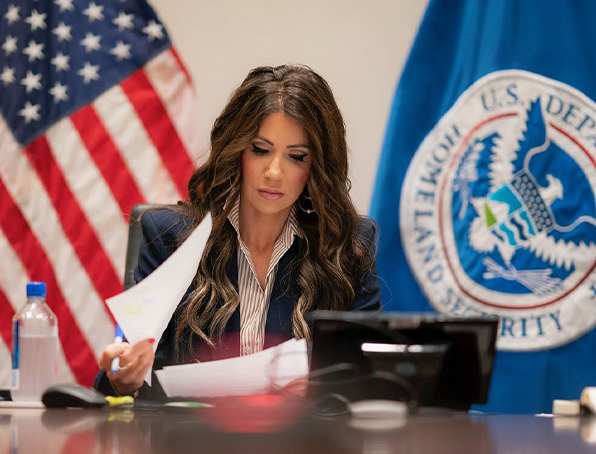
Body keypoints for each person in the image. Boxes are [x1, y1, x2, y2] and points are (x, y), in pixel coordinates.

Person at [95, 64, 381, 400]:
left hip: (305, 448)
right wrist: (121, 377)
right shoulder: (170, 239)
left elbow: (369, 380)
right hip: (189, 446)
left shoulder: (346, 247)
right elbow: (124, 376)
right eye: (260, 150)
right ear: (237, 150)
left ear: (315, 167)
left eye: (296, 157)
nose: (274, 172)